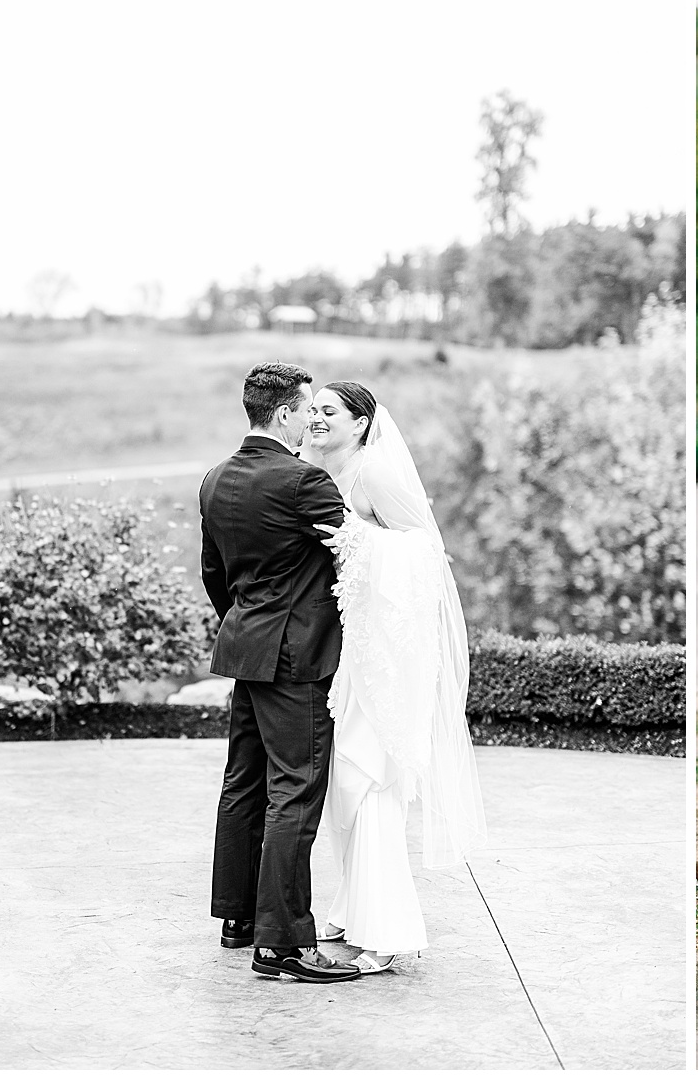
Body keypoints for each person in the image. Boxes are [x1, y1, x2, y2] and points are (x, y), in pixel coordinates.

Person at [299, 381, 488, 975]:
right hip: (353, 648)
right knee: (345, 787)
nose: (317, 419)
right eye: (314, 412)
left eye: (329, 411)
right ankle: (353, 905)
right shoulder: (323, 470)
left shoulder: (377, 473)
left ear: (361, 422)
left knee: (369, 778)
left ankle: (389, 931)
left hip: (385, 654)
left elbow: (427, 555)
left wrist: (355, 540)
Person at [201, 361, 360, 983]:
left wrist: (250, 621)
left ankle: (238, 919)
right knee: (296, 788)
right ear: (288, 412)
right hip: (296, 659)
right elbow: (359, 562)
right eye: (305, 408)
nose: (311, 418)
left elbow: (215, 574)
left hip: (246, 649)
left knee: (244, 781)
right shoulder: (305, 482)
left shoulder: (215, 479)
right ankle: (283, 945)